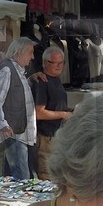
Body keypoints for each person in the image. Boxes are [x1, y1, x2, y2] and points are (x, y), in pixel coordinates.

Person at [0, 37, 38, 180]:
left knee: (10, 175)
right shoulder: (7, 71)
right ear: (18, 53)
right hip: (13, 130)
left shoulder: (17, 70)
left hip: (18, 129)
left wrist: (31, 79)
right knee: (22, 175)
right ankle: (23, 201)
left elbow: (15, 90)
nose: (32, 57)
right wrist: (3, 125)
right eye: (30, 52)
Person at [30, 46, 72, 180]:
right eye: (55, 63)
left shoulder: (56, 79)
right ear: (45, 63)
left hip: (56, 134)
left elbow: (55, 106)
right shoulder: (43, 81)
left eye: (62, 63)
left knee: (57, 172)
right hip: (46, 136)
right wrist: (63, 115)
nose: (59, 66)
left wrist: (71, 111)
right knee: (47, 174)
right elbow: (39, 113)